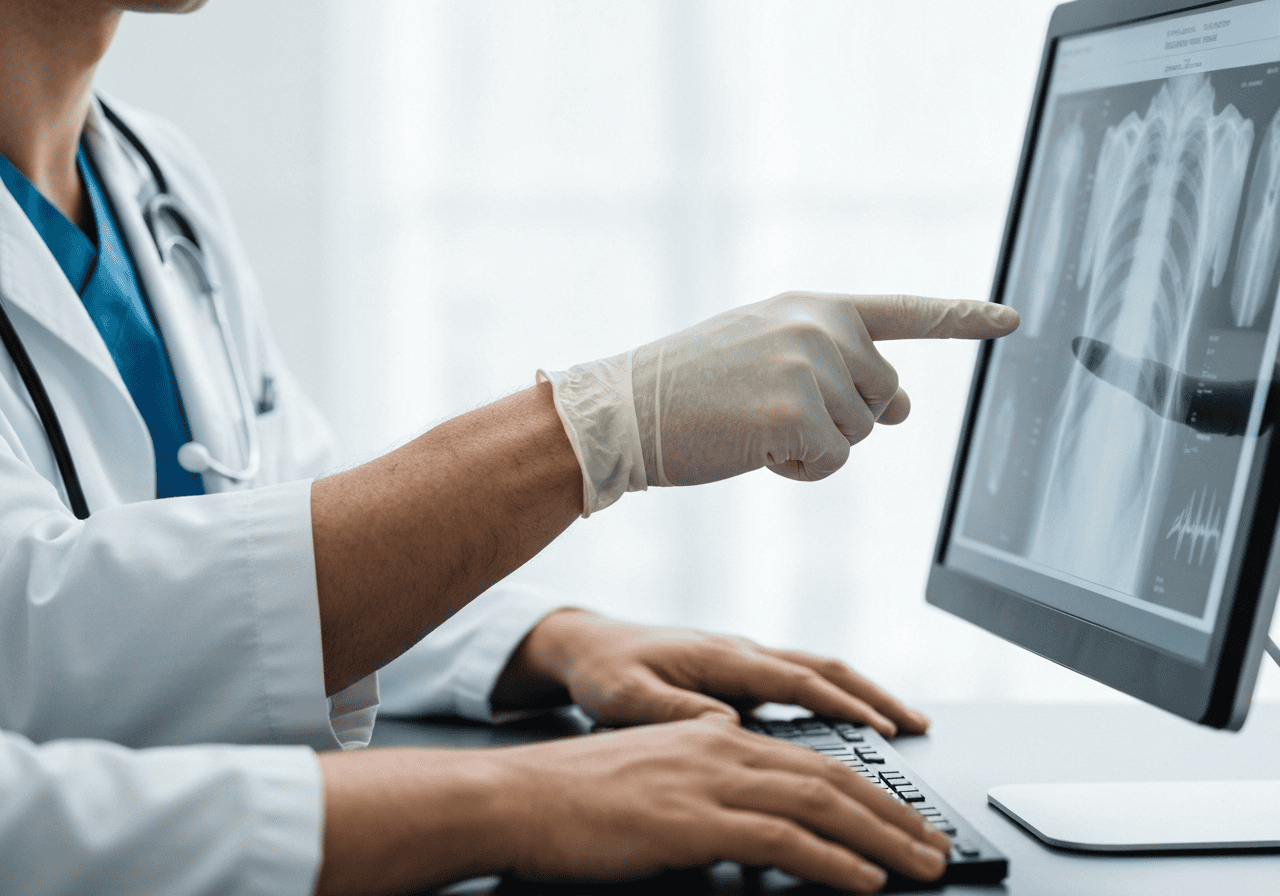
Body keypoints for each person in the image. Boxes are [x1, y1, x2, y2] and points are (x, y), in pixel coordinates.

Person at [0, 2, 1020, 894]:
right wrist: (598, 426)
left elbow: (266, 544)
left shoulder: (152, 174)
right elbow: (33, 641)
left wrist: (541, 644)